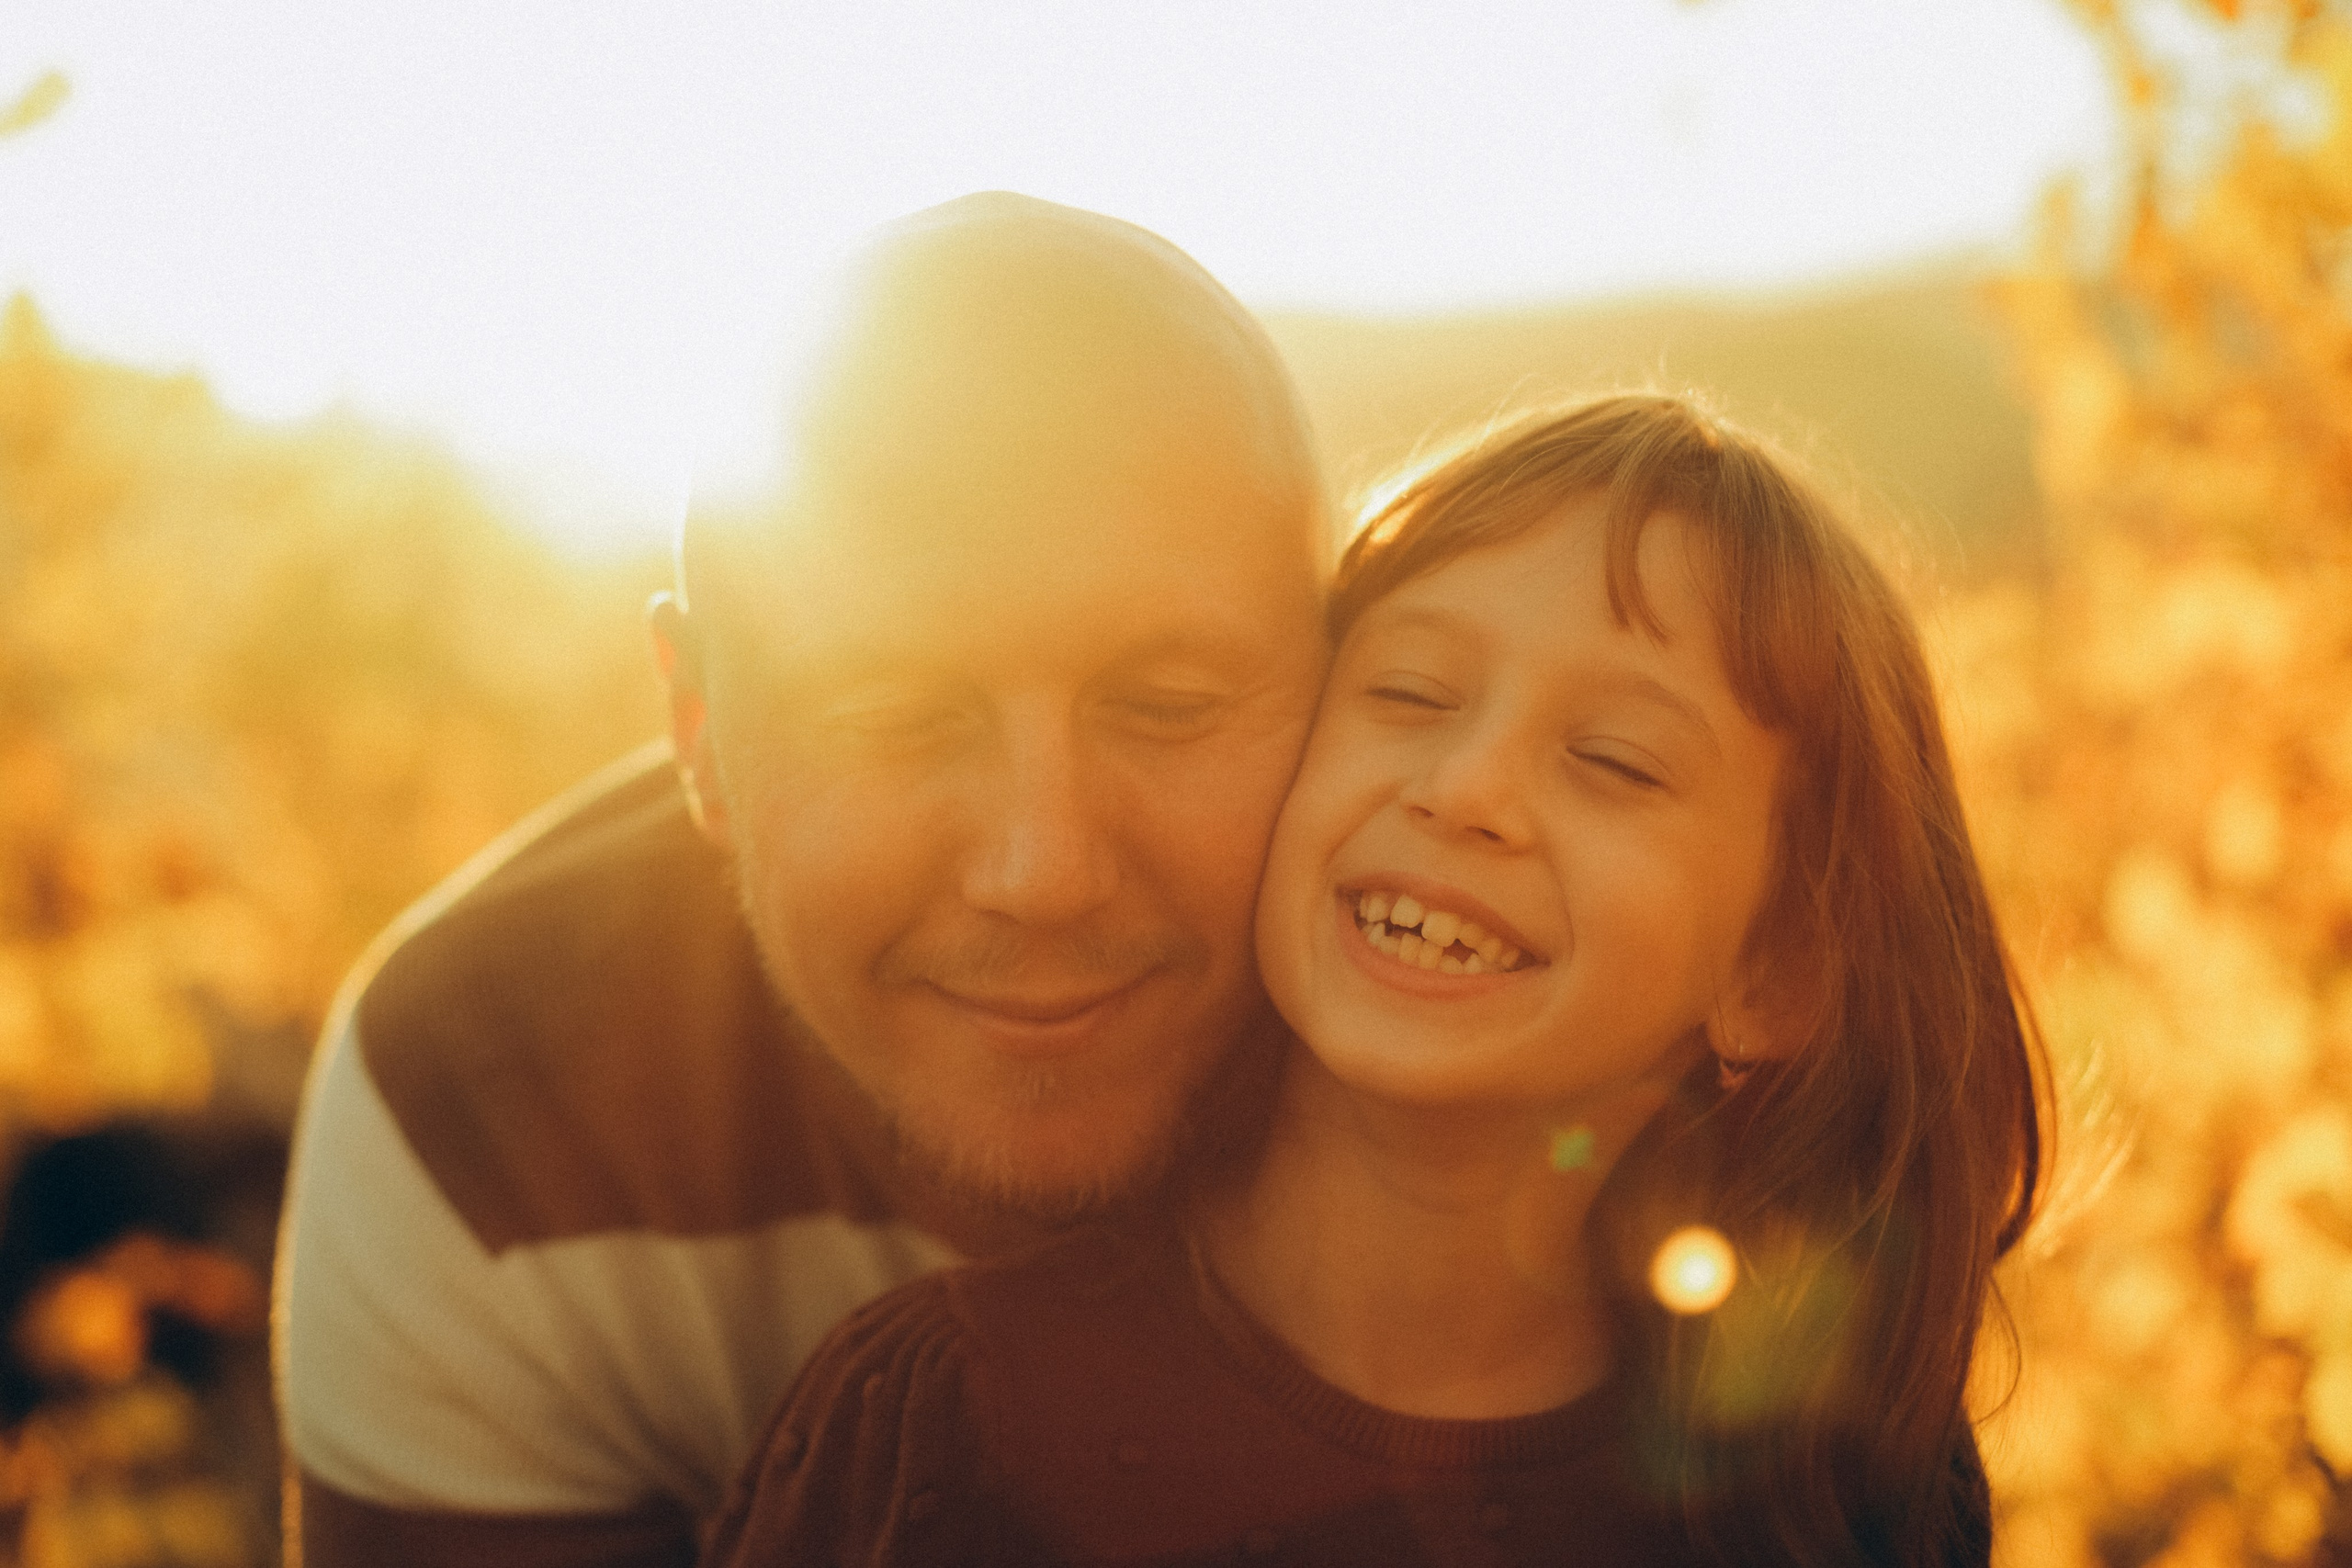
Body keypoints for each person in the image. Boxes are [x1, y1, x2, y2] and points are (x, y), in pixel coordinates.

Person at [702, 394, 2047, 1567]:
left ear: (1779, 970)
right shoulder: (947, 1428)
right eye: (1408, 692)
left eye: (1616, 762)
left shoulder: (1836, 1491)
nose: (1466, 791)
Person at [272, 193, 1329, 1566]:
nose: (1045, 868)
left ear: (1341, 663)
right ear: (702, 732)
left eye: (1170, 701)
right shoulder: (481, 1103)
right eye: (892, 718)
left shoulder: (1570, 1013)